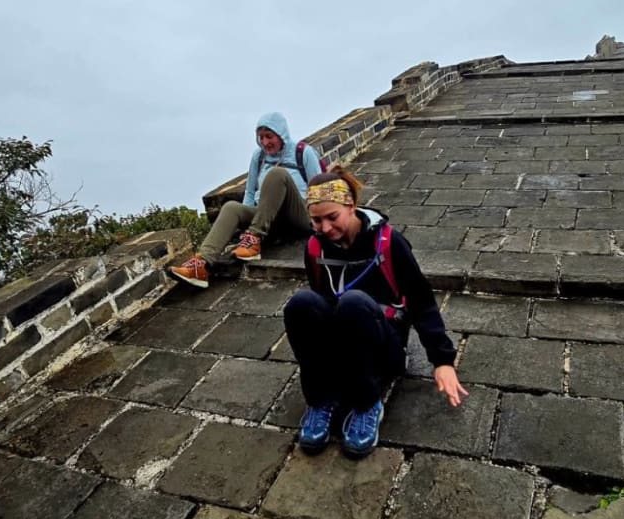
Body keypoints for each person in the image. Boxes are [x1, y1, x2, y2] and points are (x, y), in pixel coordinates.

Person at [282, 167, 468, 458]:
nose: (326, 228)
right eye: (317, 220)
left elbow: (421, 301)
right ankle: (320, 399)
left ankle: (367, 403)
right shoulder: (316, 248)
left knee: (355, 302)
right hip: (342, 345)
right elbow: (318, 301)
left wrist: (442, 360)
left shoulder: (390, 242)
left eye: (333, 217)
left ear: (351, 207)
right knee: (301, 304)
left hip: (383, 348)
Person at [168, 112, 321, 288]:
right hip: (268, 217)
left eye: (269, 136)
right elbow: (249, 192)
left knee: (277, 174)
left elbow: (319, 189)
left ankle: (254, 238)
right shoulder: (259, 157)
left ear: (281, 135)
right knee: (232, 207)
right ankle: (201, 265)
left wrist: (320, 222)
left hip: (297, 215)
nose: (265, 142)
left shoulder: (303, 153)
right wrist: (248, 218)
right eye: (261, 137)